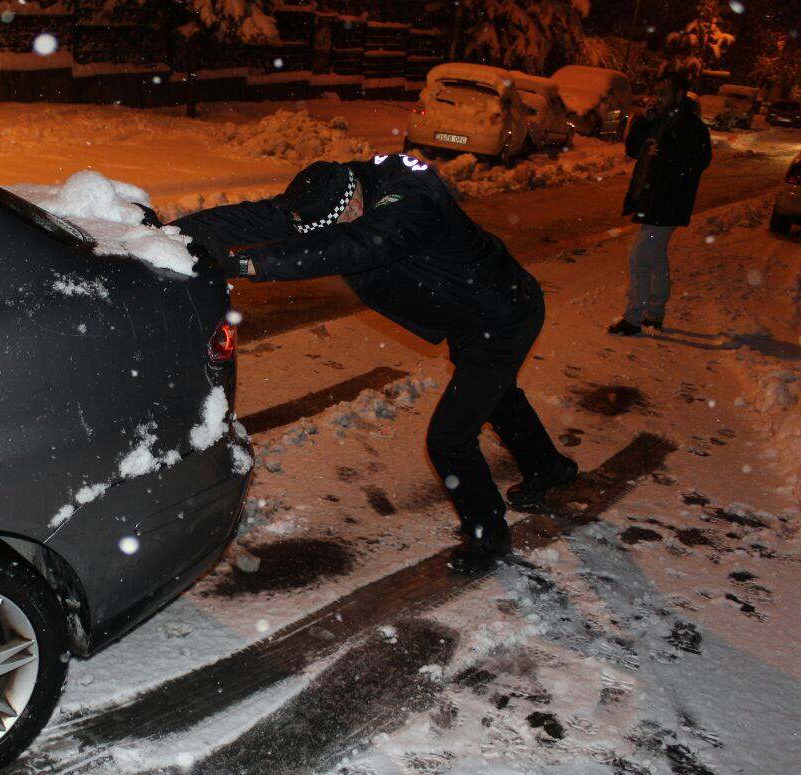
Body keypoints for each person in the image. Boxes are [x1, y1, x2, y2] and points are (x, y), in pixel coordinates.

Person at [172, 157, 577, 573]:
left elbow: (362, 244)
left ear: (356, 201)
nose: (334, 229)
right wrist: (178, 232)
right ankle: (549, 467)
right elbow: (264, 217)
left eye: (340, 221)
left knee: (449, 438)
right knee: (494, 395)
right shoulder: (330, 189)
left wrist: (248, 264)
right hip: (469, 315)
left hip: (503, 315)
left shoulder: (414, 199)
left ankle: (487, 536)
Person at [608, 71, 712, 336]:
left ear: (679, 94)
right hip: (653, 200)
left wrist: (668, 156)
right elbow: (633, 150)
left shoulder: (690, 125)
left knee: (640, 256)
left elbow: (699, 161)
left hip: (667, 202)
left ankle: (634, 318)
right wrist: (643, 120)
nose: (658, 98)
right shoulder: (660, 120)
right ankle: (654, 314)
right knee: (653, 256)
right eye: (657, 92)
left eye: (664, 93)